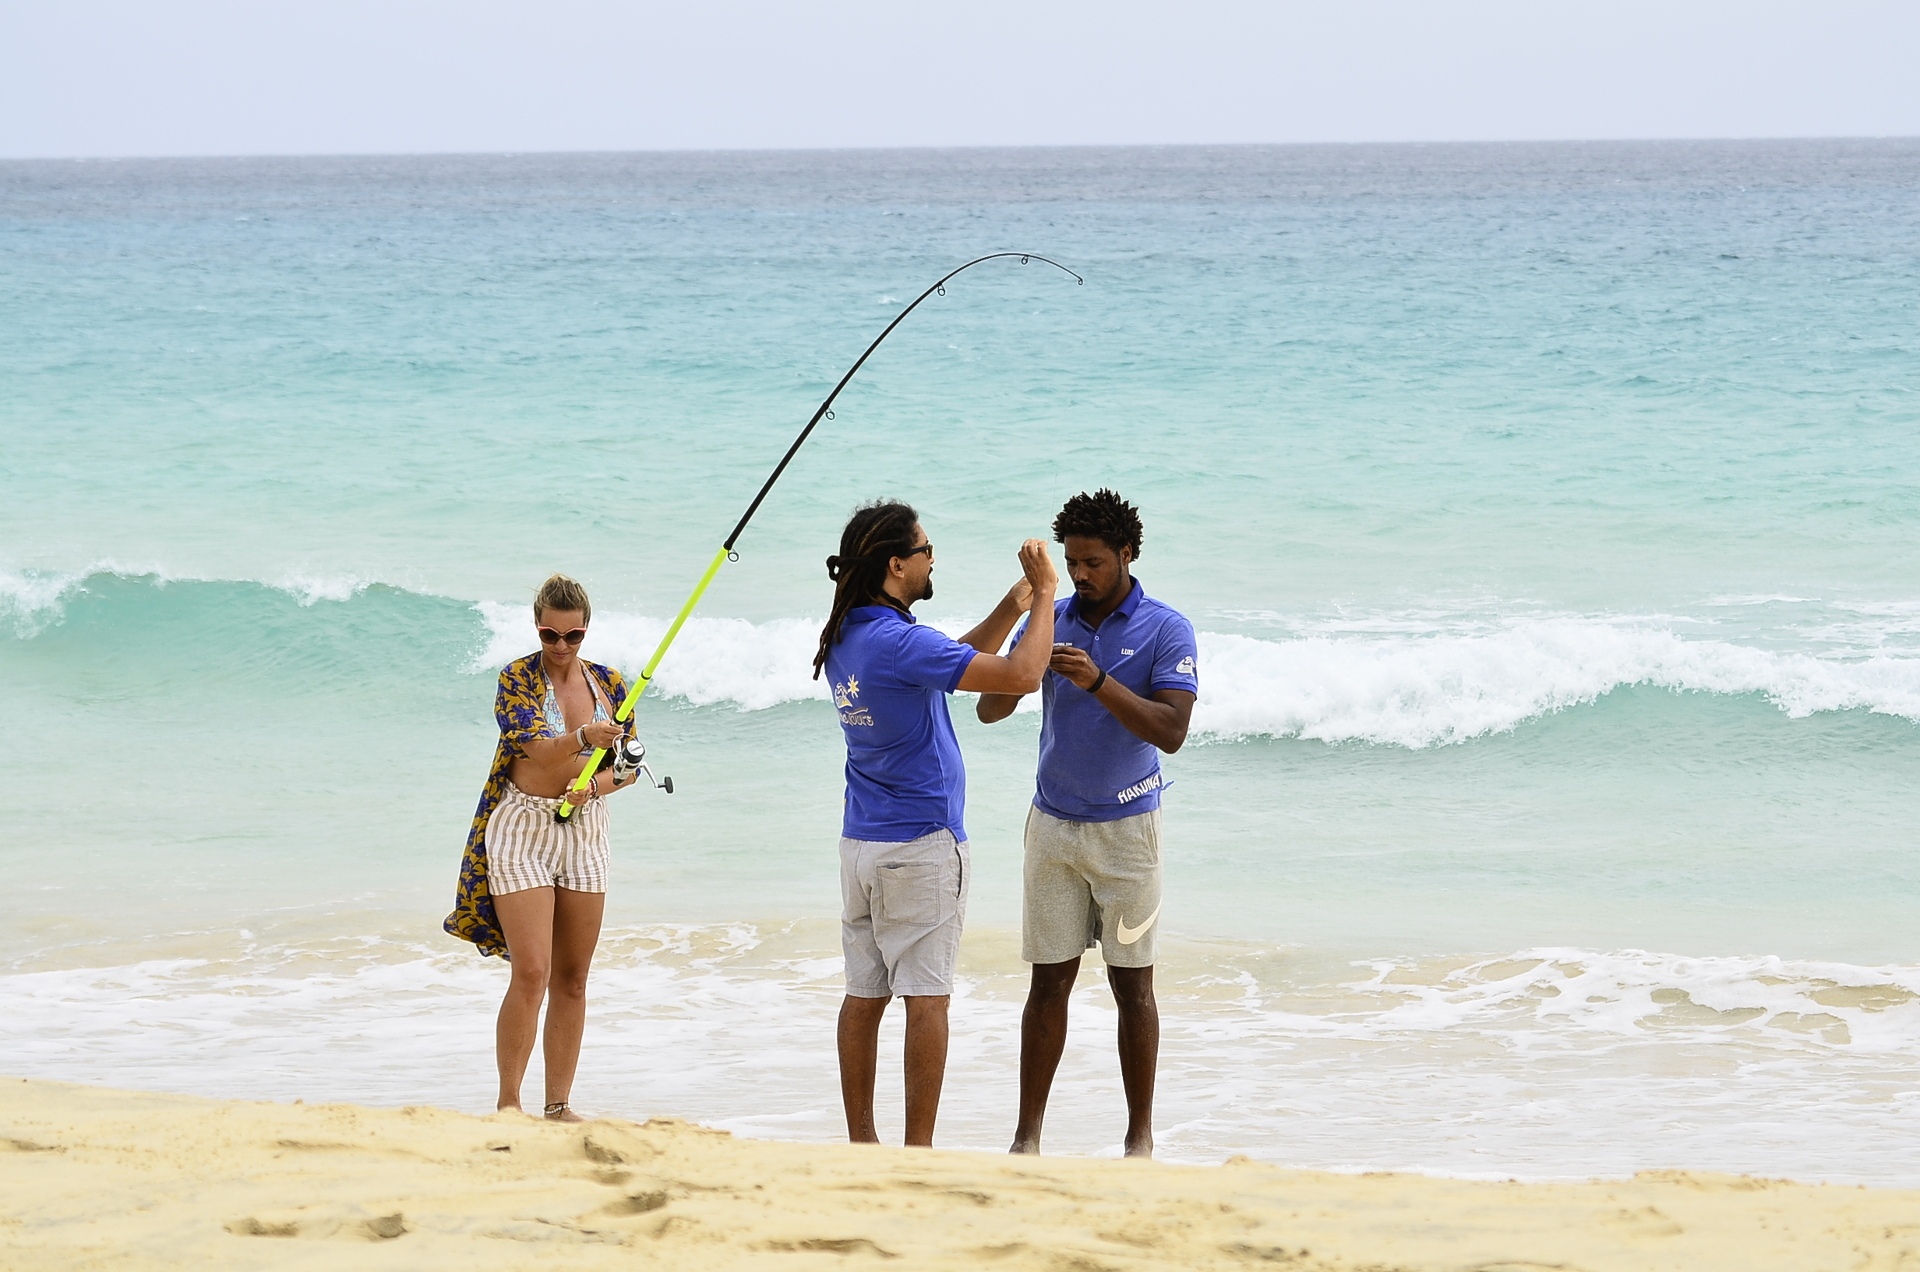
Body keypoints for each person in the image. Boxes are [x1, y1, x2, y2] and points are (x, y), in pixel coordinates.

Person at [815, 500, 1059, 1147]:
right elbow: (1023, 674)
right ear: (897, 565)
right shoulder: (898, 641)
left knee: (864, 995)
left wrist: (1012, 604)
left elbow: (945, 660)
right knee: (927, 997)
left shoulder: (851, 635)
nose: (932, 560)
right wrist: (1047, 596)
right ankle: (917, 1152)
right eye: (925, 551)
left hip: (861, 843)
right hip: (919, 844)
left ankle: (863, 1145)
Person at [977, 489, 1198, 1158]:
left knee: (1134, 985)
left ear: (1127, 554)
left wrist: (1099, 682)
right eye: (1072, 561)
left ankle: (1139, 1139)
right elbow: (989, 709)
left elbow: (1172, 732)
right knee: (1048, 983)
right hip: (1051, 826)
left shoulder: (1167, 628)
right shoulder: (1056, 616)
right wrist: (1029, 661)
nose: (1080, 574)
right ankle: (1026, 1139)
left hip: (1130, 830)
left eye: (1094, 562)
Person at [444, 574, 645, 1121]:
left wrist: (595, 786)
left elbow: (628, 769)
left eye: (572, 636)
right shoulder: (517, 678)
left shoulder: (610, 683)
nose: (560, 647)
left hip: (585, 829)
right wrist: (585, 740)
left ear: (586, 630)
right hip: (522, 827)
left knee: (573, 977)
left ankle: (558, 1106)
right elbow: (537, 749)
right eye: (549, 635)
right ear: (537, 627)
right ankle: (509, 1103)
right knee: (532, 971)